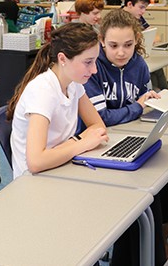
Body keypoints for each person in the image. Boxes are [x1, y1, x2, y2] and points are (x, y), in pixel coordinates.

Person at [84, 9, 168, 266]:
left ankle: (158, 238)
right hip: (101, 146)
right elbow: (102, 117)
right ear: (101, 41)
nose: (121, 52)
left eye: (128, 45)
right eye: (113, 45)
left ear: (137, 41)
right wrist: (137, 107)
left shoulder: (138, 64)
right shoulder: (92, 67)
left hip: (131, 136)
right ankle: (148, 248)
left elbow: (150, 99)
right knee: (151, 184)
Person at [7, 23, 109, 179]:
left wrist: (73, 142)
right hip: (34, 180)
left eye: (95, 61)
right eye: (88, 62)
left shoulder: (73, 82)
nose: (94, 70)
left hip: (60, 166)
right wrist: (82, 144)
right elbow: (35, 162)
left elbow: (98, 126)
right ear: (63, 59)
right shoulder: (43, 91)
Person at [121, 0, 168, 90]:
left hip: (141, 55)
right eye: (141, 7)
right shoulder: (119, 19)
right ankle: (158, 93)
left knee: (158, 69)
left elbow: (154, 35)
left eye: (145, 8)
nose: (143, 11)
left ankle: (165, 93)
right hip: (128, 60)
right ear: (130, 4)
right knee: (152, 72)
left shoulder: (137, 17)